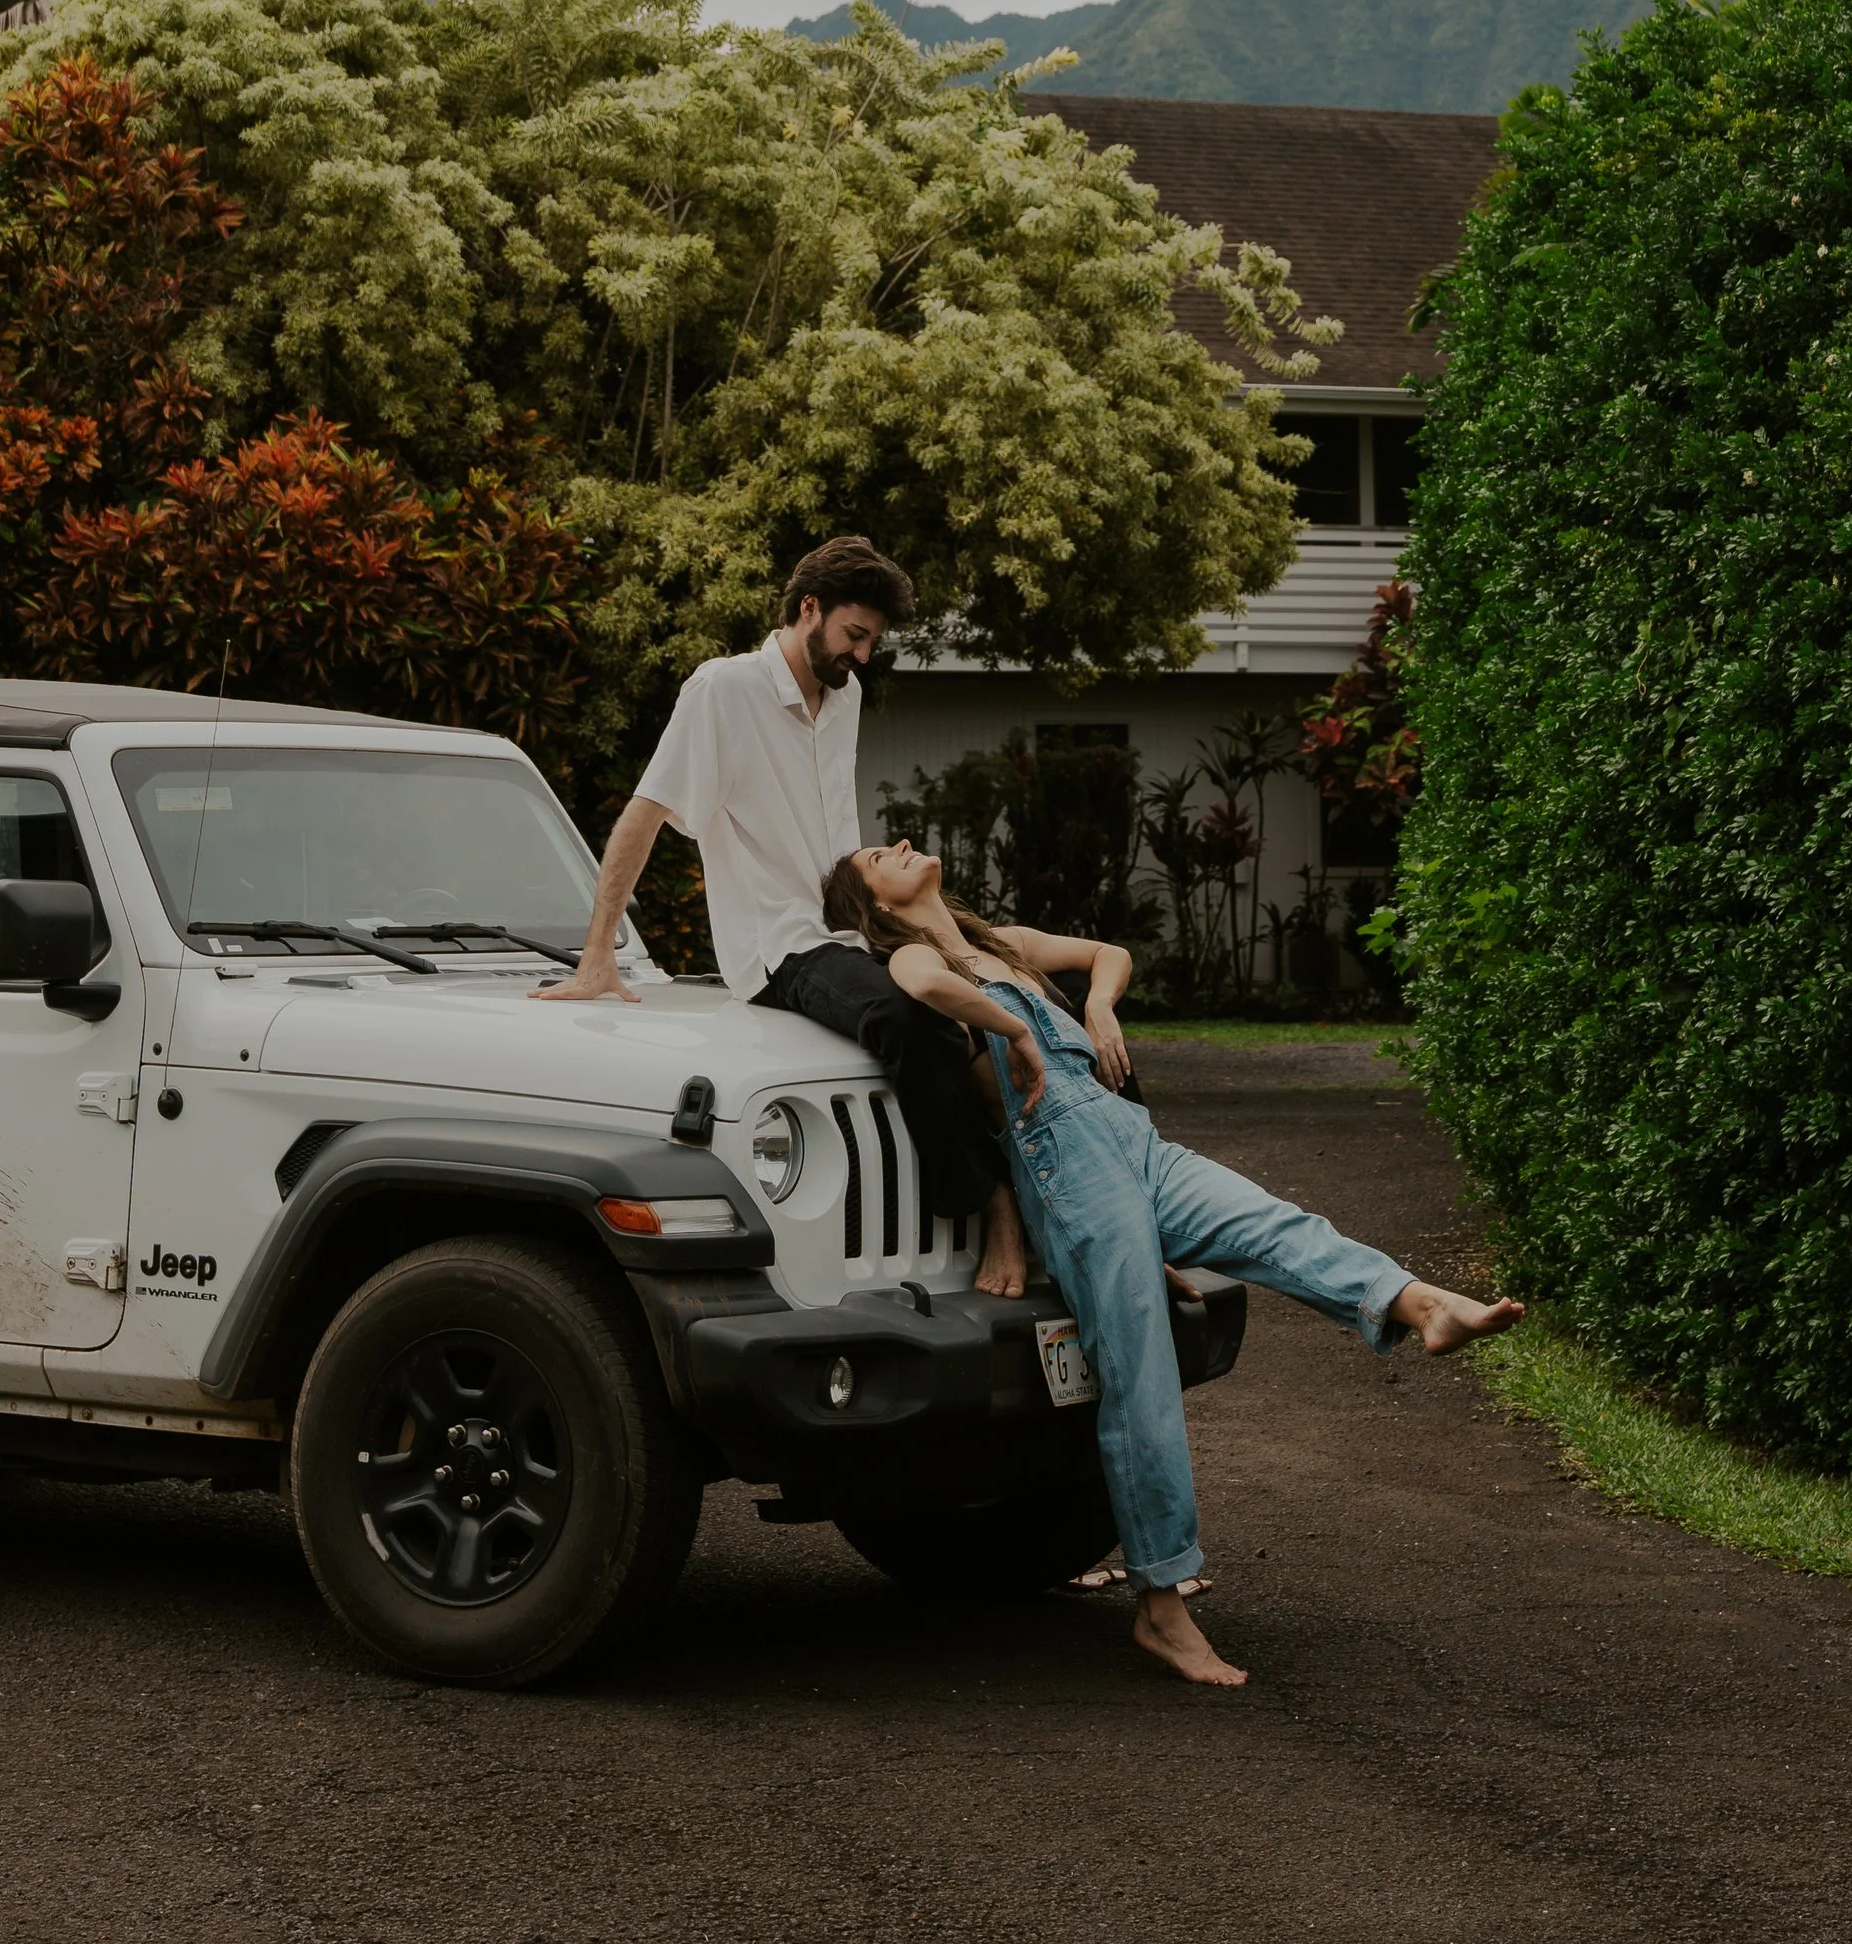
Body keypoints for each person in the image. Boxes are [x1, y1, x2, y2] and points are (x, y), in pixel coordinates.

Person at [822, 838, 1524, 1688]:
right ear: (878, 905)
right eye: (876, 855)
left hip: (1130, 1138)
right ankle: (1162, 1604)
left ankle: (1418, 1305)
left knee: (1275, 1224)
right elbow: (922, 991)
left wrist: (1103, 1009)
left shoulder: (998, 939)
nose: (899, 844)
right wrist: (1012, 1028)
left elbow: (1109, 954)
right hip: (1064, 1164)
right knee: (1140, 1365)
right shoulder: (911, 955)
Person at [534, 536, 1031, 1295]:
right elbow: (644, 814)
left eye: (871, 641)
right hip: (783, 948)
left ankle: (1092, 1207)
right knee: (910, 1019)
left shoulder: (847, 699)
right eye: (853, 636)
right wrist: (598, 954)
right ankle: (993, 1206)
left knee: (1014, 998)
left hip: (855, 931)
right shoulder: (722, 690)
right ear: (809, 610)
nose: (861, 655)